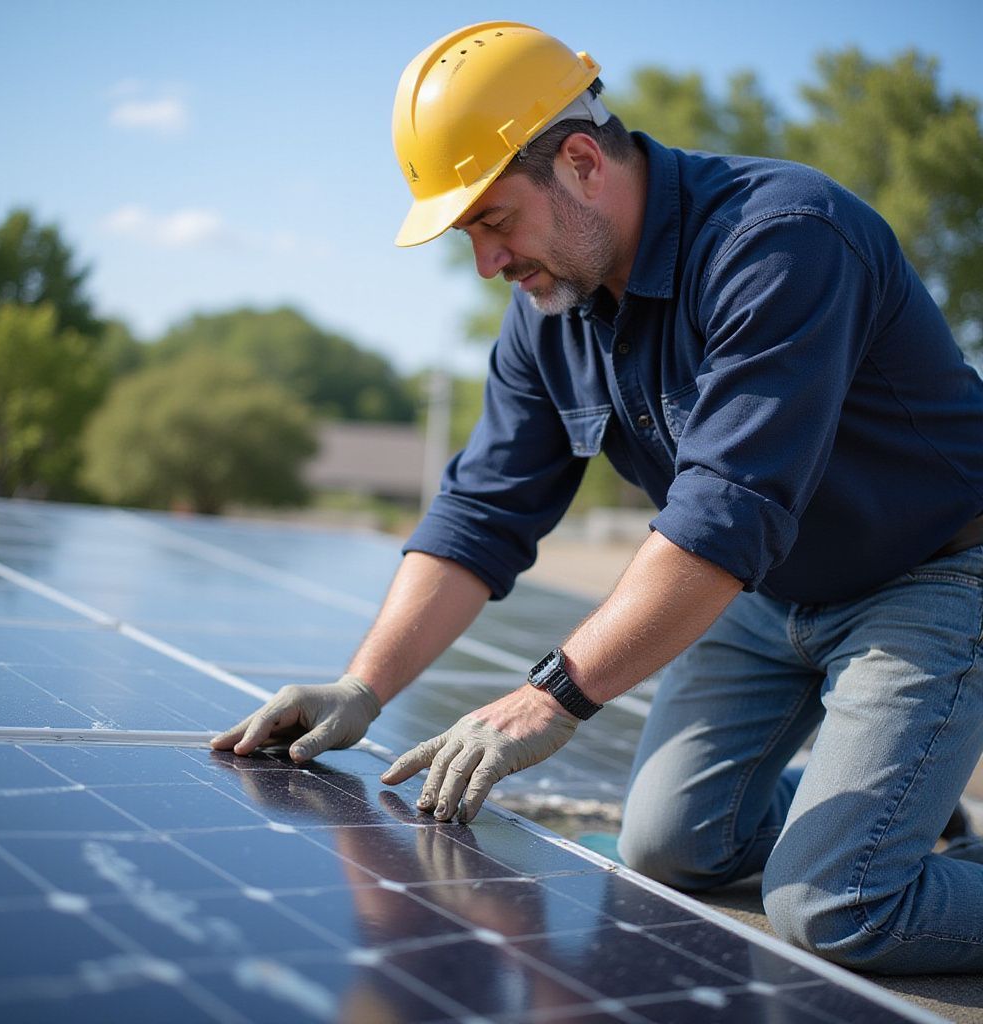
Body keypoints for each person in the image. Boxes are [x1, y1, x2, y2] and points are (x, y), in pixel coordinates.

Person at [213, 21, 983, 974]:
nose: (487, 262)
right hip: (776, 588)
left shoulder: (782, 239)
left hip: (935, 573)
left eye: (494, 221)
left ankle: (875, 828)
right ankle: (903, 800)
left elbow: (726, 511)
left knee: (836, 904)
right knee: (672, 848)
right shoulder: (551, 309)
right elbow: (481, 511)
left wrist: (551, 699)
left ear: (581, 160)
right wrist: (364, 686)